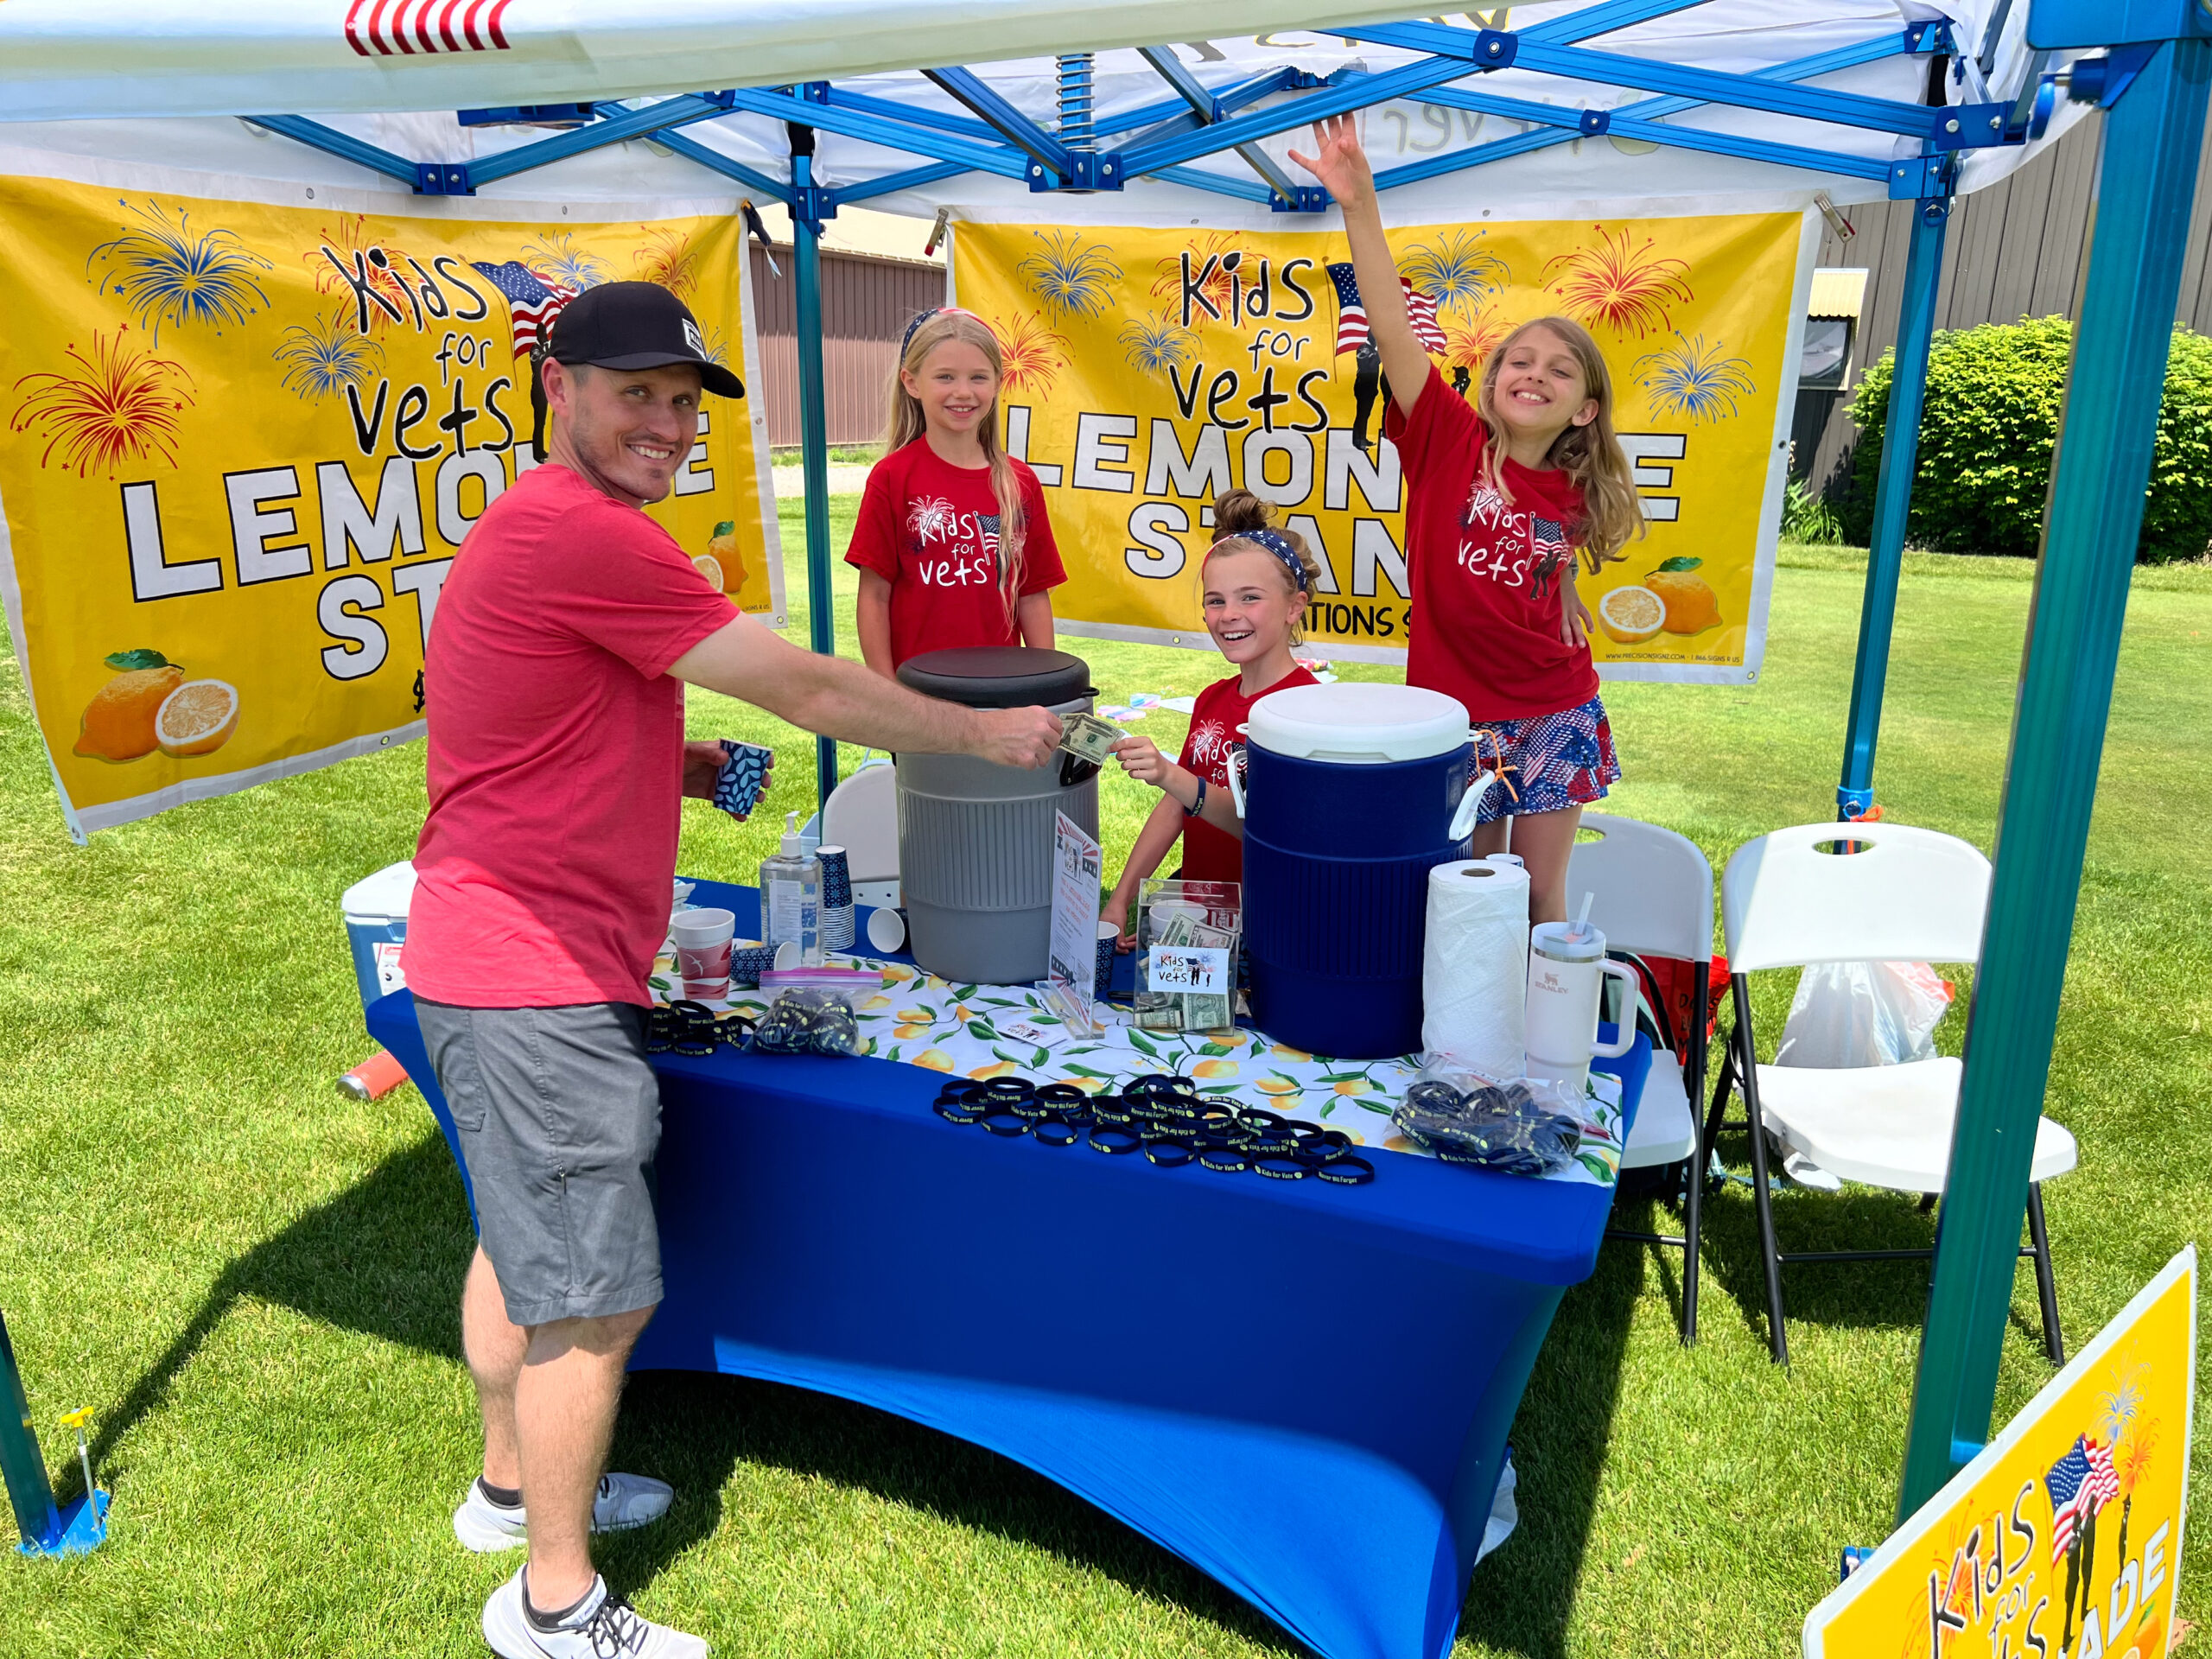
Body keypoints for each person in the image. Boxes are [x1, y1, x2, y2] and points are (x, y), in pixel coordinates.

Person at [402, 282, 1061, 1659]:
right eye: (630, 391)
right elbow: (810, 687)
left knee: (519, 1238)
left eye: (680, 401)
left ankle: (506, 1487)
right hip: (531, 972)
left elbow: (530, 713)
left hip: (490, 949)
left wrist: (682, 763)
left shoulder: (547, 532)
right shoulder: (589, 534)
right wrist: (982, 735)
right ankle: (555, 1602)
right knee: (596, 1290)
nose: (661, 422)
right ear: (560, 390)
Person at [1289, 116, 1646, 924]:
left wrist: (1560, 597)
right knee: (1471, 891)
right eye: (1520, 360)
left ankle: (1540, 1043)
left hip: (1558, 708)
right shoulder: (1446, 437)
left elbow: (1543, 566)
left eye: (1559, 370)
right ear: (1490, 383)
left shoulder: (1578, 490)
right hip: (1456, 716)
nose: (1534, 374)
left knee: (1539, 893)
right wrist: (1359, 207)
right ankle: (1465, 1043)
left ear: (1585, 409)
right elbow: (1386, 318)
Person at [1102, 490, 1319, 941]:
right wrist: (1120, 900)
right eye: (1215, 600)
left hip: (1273, 933)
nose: (1229, 615)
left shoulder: (1307, 711)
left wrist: (1171, 775)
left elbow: (1267, 826)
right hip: (1201, 925)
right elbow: (1175, 807)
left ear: (1294, 607)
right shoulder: (1212, 699)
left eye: (1250, 598)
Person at [846, 308, 1066, 675]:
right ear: (911, 382)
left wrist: (1046, 685)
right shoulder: (891, 477)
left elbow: (1032, 596)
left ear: (998, 382)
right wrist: (887, 695)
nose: (963, 392)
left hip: (1002, 694)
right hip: (920, 700)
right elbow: (873, 596)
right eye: (945, 377)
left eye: (978, 377)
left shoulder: (1020, 483)